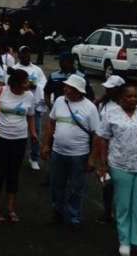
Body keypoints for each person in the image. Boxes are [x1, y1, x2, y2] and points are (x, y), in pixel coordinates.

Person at [95, 86, 137, 256]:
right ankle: (125, 241)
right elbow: (103, 139)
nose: (133, 99)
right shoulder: (111, 114)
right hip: (120, 165)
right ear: (120, 99)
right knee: (123, 204)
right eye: (128, 96)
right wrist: (103, 164)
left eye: (135, 96)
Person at [42, 74, 99, 227]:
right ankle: (57, 211)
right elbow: (51, 123)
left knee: (77, 187)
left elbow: (96, 135)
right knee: (56, 184)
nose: (65, 89)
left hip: (79, 155)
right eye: (66, 87)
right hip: (57, 152)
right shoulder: (60, 101)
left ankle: (74, 216)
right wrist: (46, 145)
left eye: (69, 87)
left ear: (78, 90)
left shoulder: (90, 107)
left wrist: (92, 158)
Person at [0, 68, 38, 223]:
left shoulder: (29, 96)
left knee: (14, 173)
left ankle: (10, 209)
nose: (28, 84)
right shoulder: (0, 91)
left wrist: (33, 133)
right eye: (25, 82)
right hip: (1, 138)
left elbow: (31, 116)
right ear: (16, 83)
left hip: (20, 138)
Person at [95, 75, 126, 224]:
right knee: (106, 182)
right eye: (106, 88)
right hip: (104, 146)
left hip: (120, 149)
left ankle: (122, 213)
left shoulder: (125, 105)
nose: (107, 90)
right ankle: (108, 212)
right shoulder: (104, 103)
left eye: (111, 88)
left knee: (119, 183)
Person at [11, 46, 47, 171]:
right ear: (18, 55)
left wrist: (35, 85)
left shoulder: (37, 69)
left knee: (35, 131)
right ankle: (17, 156)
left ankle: (34, 157)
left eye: (28, 53)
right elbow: (9, 84)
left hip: (34, 105)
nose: (26, 56)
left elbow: (44, 84)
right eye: (23, 53)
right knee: (17, 131)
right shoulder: (14, 69)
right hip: (18, 104)